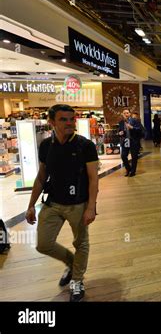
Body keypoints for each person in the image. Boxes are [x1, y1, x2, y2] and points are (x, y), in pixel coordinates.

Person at [25, 104, 99, 302]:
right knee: (43, 244)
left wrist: (91, 207)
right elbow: (41, 177)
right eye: (63, 119)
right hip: (53, 203)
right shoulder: (46, 146)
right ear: (51, 122)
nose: (69, 123)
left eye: (71, 119)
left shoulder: (85, 146)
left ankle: (77, 280)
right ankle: (72, 263)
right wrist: (31, 205)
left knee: (81, 243)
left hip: (78, 204)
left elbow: (93, 179)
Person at [118, 109, 142, 177]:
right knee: (123, 156)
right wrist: (120, 133)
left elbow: (139, 129)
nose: (126, 114)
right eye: (124, 113)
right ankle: (128, 169)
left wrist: (132, 127)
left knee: (134, 157)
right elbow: (119, 131)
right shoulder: (121, 122)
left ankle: (133, 171)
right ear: (123, 114)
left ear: (130, 114)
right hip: (125, 141)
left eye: (127, 113)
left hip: (133, 141)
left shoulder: (135, 120)